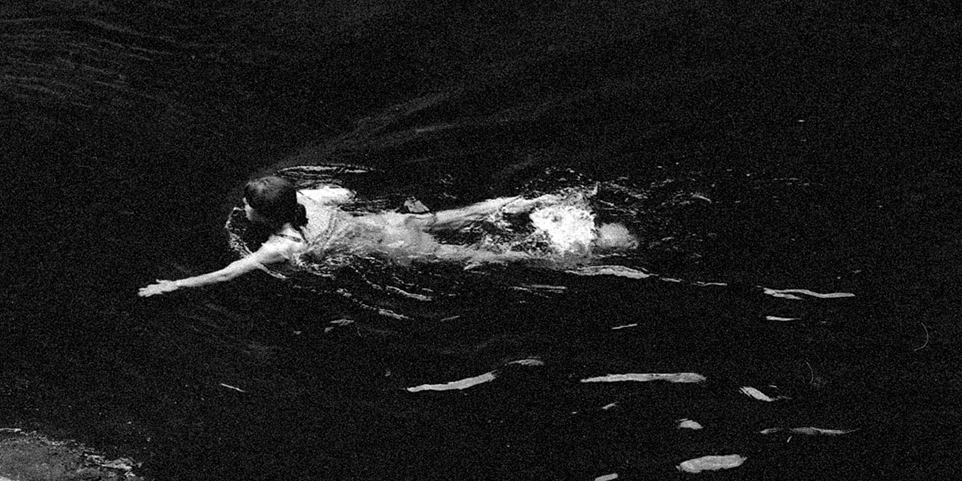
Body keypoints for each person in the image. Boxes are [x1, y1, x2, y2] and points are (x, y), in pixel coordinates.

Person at [137, 174, 612, 297]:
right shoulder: (311, 200)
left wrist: (175, 284)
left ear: (262, 215)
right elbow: (343, 192)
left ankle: (579, 253)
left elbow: (228, 273)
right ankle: (536, 203)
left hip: (394, 246)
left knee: (485, 257)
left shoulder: (284, 245)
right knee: (469, 212)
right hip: (391, 222)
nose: (242, 209)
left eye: (247, 205)